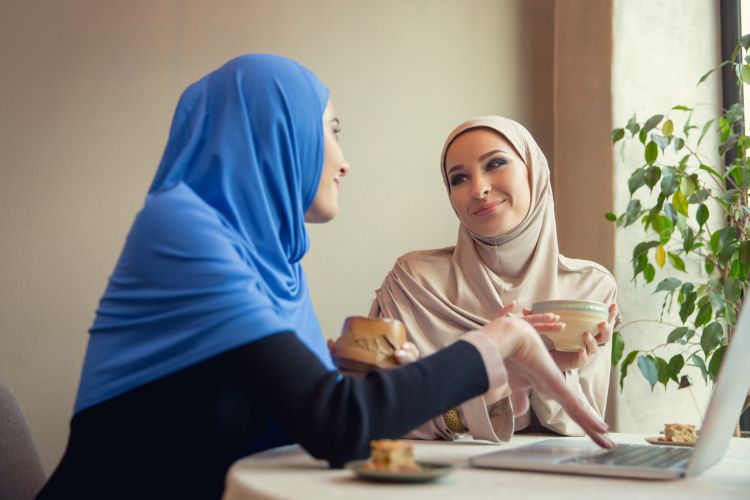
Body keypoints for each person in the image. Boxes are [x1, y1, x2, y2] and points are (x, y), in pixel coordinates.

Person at [38, 57, 613, 499]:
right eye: (331, 131)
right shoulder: (182, 228)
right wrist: (496, 341)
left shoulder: (275, 263)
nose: (343, 159)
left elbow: (329, 412)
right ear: (273, 132)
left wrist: (500, 376)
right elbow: (340, 426)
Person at [371, 116, 619, 442]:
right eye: (458, 179)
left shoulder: (589, 286)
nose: (479, 189)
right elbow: (380, 415)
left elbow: (578, 426)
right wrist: (488, 364)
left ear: (534, 170)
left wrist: (548, 365)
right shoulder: (413, 283)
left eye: (495, 163)